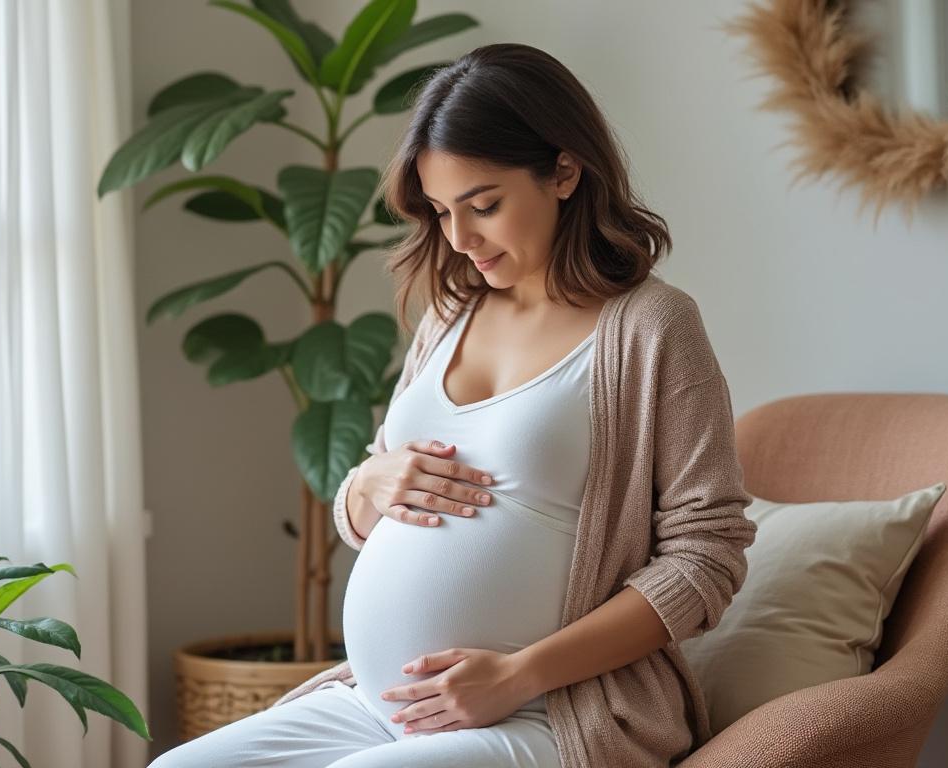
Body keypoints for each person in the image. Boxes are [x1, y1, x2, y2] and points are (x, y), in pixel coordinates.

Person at [150, 42, 756, 768]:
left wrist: (519, 675)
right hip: (378, 705)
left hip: (549, 711)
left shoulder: (653, 327)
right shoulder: (450, 313)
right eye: (441, 212)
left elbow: (706, 556)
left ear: (565, 172)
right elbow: (370, 508)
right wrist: (366, 484)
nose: (461, 239)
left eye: (484, 206)